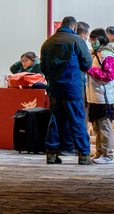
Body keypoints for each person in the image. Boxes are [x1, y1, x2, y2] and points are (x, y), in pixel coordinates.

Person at [40, 16, 94, 165]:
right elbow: (87, 63)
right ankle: (83, 155)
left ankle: (51, 153)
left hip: (54, 87)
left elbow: (43, 67)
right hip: (72, 87)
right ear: (74, 28)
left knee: (55, 120)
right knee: (77, 120)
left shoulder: (48, 42)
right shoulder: (77, 40)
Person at [86, 28, 114, 164]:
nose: (92, 43)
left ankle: (108, 155)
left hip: (104, 97)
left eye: (94, 40)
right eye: (91, 40)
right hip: (95, 96)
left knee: (104, 127)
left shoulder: (107, 55)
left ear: (101, 40)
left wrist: (91, 70)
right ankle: (99, 153)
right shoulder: (96, 54)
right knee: (97, 128)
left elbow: (108, 76)